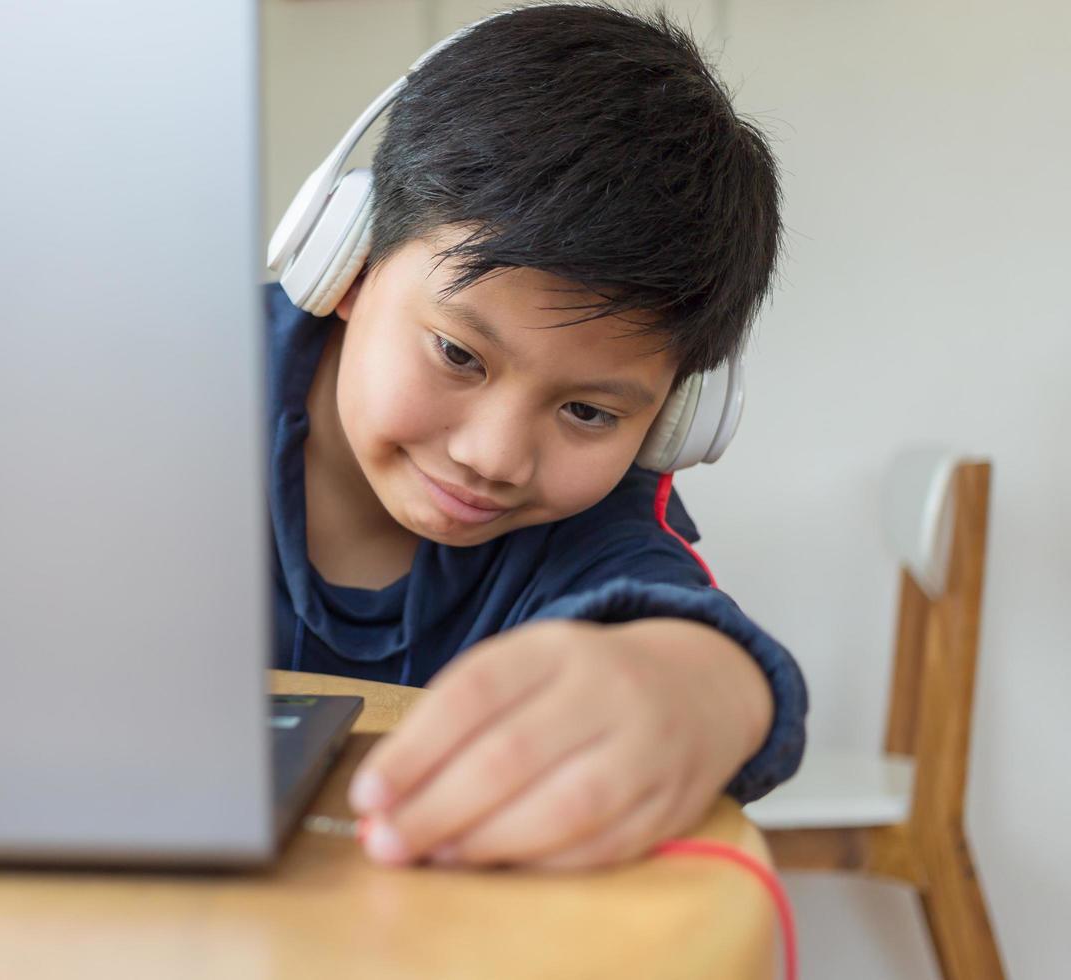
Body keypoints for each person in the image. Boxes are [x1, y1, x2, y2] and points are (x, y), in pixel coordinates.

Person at [265, 3, 808, 870]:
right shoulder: (165, 397)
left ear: (673, 419)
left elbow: (697, 641)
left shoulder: (589, 524)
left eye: (589, 413)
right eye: (457, 354)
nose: (495, 456)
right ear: (347, 263)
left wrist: (700, 687)